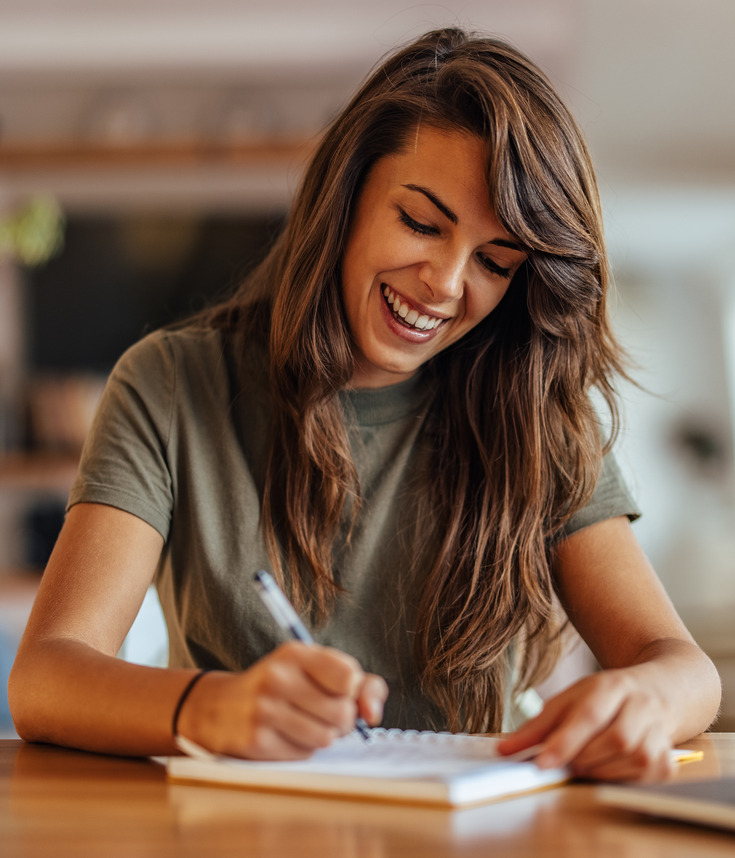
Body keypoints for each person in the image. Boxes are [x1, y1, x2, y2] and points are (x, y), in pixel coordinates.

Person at [9, 27, 720, 782]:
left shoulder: (538, 419)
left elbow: (681, 669)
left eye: (494, 261)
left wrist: (641, 697)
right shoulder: (170, 386)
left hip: (480, 828)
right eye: (420, 222)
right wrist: (212, 708)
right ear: (344, 200)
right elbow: (47, 677)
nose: (446, 284)